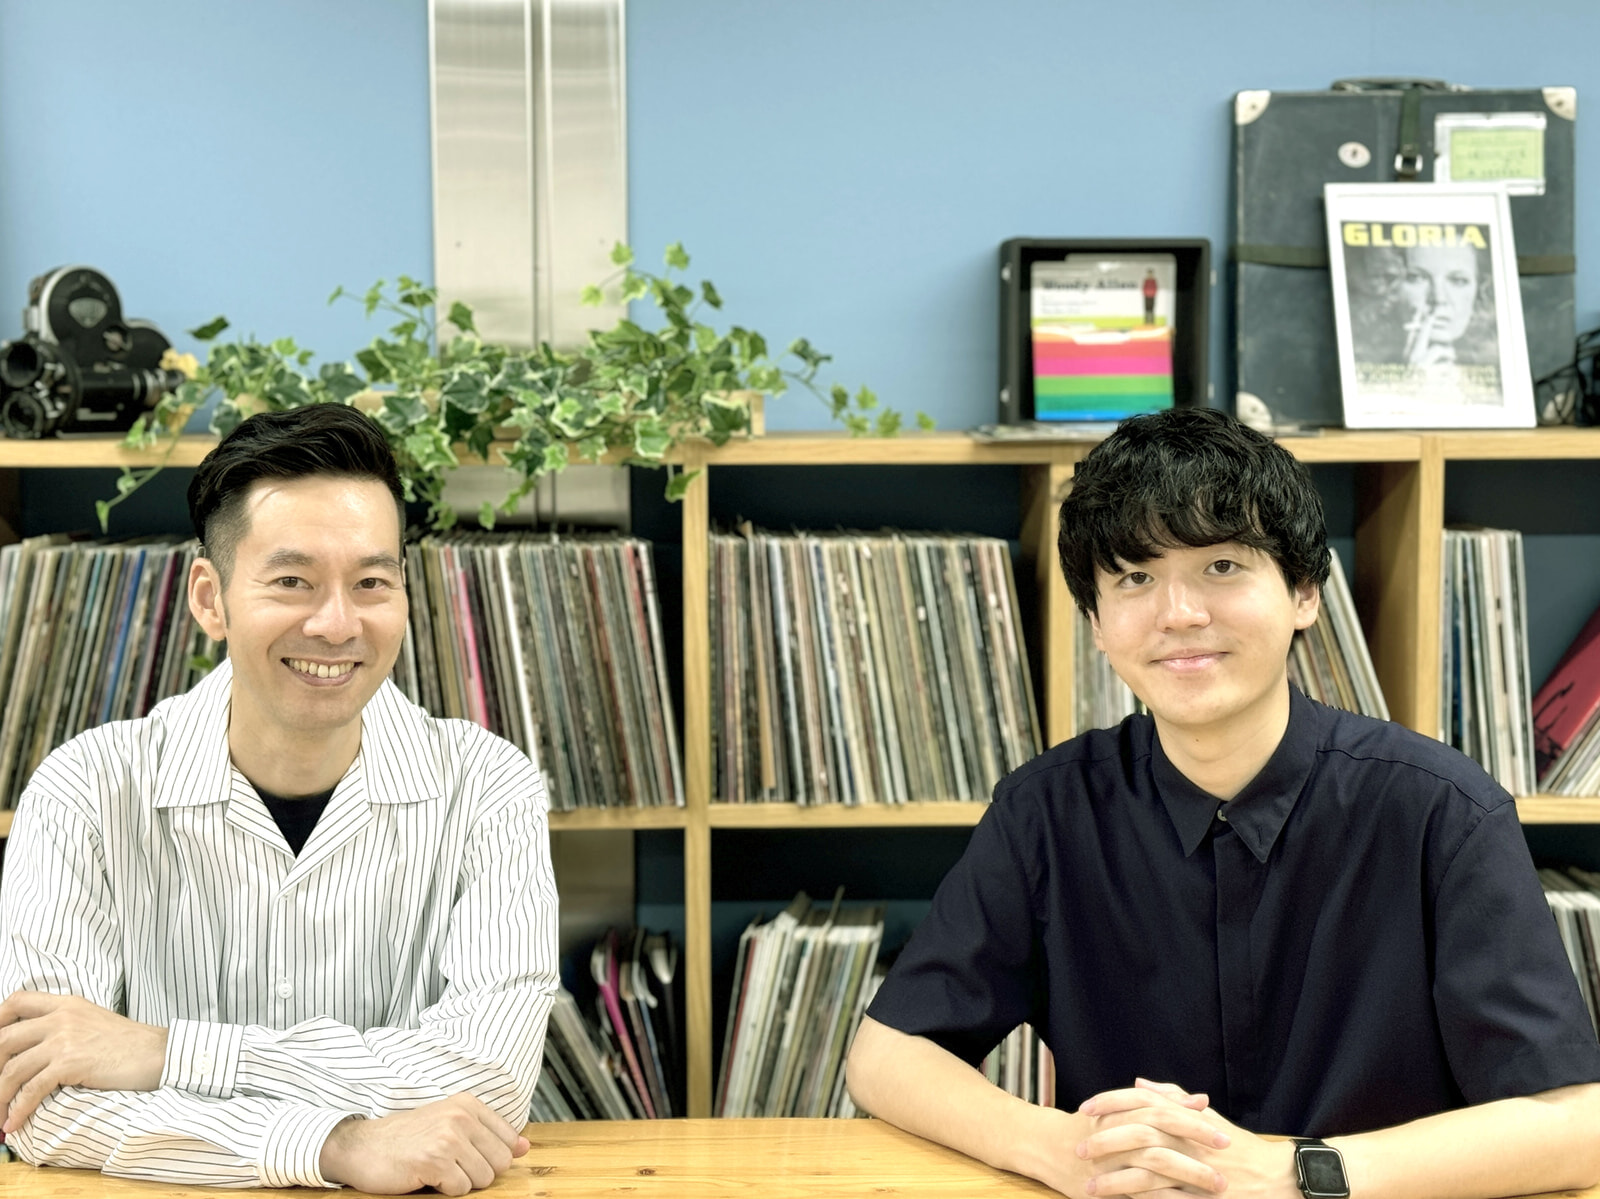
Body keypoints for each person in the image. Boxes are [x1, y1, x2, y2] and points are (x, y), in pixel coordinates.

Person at [845, 406, 1600, 1199]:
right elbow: (885, 1056)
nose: (1180, 613)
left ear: (1304, 591)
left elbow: (1578, 1123)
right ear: (1097, 622)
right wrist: (1058, 1146)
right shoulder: (1046, 811)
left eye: (1223, 565)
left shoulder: (1441, 812)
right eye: (1135, 577)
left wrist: (1296, 1171)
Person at [0, 404, 560, 1195]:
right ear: (210, 598)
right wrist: (335, 1145)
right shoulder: (84, 792)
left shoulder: (489, 787)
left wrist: (164, 1051)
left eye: (371, 582)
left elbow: (490, 1081)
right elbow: (42, 1104)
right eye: (293, 581)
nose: (336, 623)